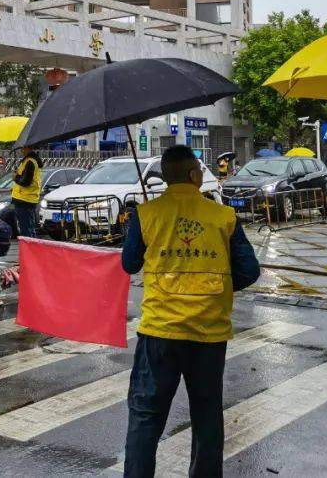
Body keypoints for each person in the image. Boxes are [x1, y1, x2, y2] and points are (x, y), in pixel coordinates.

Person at [121, 145, 261, 477]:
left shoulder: (147, 214)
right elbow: (249, 270)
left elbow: (129, 263)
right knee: (206, 414)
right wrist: (216, 290)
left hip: (159, 331)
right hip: (209, 332)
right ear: (193, 176)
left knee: (145, 415)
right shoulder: (223, 216)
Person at [9, 146, 43, 238]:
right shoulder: (28, 161)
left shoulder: (30, 162)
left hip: (24, 200)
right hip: (27, 199)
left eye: (24, 148)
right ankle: (32, 250)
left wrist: (15, 177)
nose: (22, 150)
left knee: (26, 230)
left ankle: (29, 250)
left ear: (29, 148)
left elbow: (25, 182)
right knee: (29, 227)